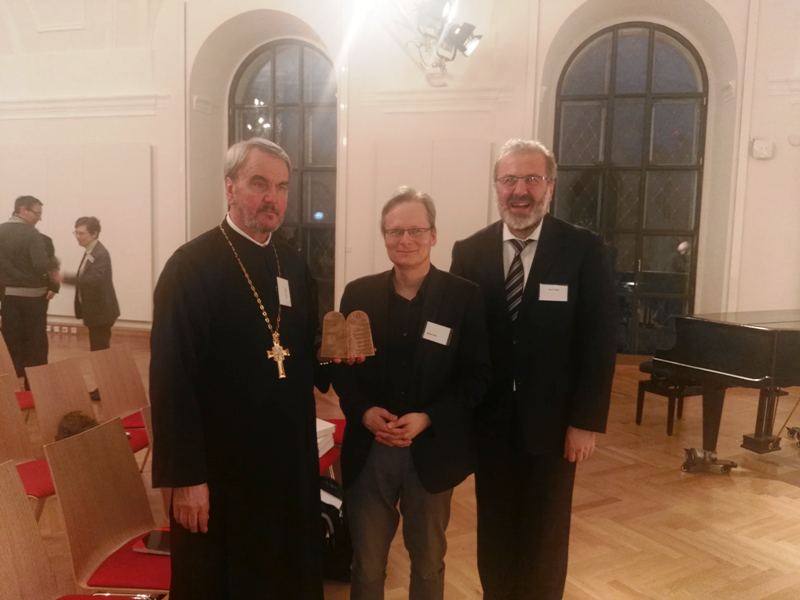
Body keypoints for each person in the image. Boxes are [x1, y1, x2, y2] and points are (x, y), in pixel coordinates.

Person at [150, 138, 324, 599]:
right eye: (259, 184)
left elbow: (306, 352)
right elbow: (171, 381)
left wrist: (338, 357)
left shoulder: (293, 264)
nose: (273, 198)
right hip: (221, 472)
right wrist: (187, 478)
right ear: (230, 188)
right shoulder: (190, 268)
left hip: (287, 466)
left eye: (282, 187)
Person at [450, 139, 617, 599]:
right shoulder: (469, 252)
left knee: (546, 533)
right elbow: (461, 340)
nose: (520, 190)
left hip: (555, 424)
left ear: (550, 186)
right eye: (509, 180)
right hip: (489, 422)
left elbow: (600, 340)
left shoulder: (583, 249)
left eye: (531, 179)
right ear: (496, 187)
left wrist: (585, 422)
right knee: (494, 528)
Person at [334, 187, 491, 600]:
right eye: (395, 231)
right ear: (384, 236)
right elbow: (342, 368)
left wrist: (429, 417)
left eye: (416, 230)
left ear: (433, 235)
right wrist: (363, 412)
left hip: (432, 451)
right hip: (370, 449)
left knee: (428, 561)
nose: (405, 240)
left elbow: (477, 376)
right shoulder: (358, 294)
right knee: (367, 563)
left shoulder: (464, 297)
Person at [0, 195, 56, 382]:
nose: (40, 218)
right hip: (33, 298)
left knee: (12, 340)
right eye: (37, 213)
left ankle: (13, 385)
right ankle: (34, 387)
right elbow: (41, 265)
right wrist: (53, 274)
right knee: (35, 343)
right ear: (23, 210)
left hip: (8, 297)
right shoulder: (32, 234)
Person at [62, 216, 120, 351]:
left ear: (94, 234)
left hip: (101, 312)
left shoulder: (100, 253)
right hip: (95, 311)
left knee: (99, 351)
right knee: (98, 349)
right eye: (76, 233)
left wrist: (65, 278)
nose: (77, 237)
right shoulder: (91, 251)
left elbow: (93, 280)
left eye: (81, 233)